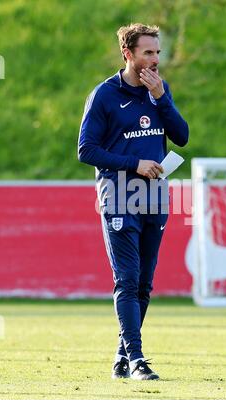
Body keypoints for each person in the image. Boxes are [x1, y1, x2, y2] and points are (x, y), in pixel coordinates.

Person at [78, 23, 188, 380]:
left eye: (157, 52)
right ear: (128, 54)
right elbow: (86, 150)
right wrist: (134, 164)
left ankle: (122, 356)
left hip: (155, 198)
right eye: (148, 53)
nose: (155, 60)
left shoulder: (160, 91)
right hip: (120, 197)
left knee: (143, 284)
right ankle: (138, 360)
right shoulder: (105, 95)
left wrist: (162, 99)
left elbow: (182, 137)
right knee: (126, 280)